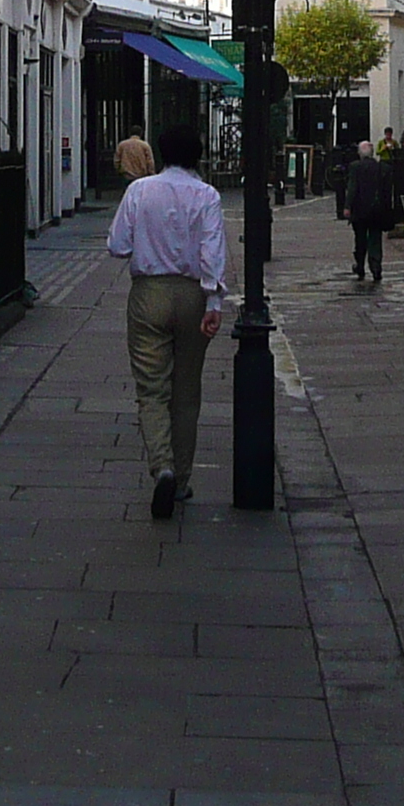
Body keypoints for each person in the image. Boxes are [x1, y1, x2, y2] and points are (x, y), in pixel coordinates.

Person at [105, 122, 225, 518]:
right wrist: (214, 302)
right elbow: (212, 251)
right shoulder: (207, 195)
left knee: (151, 390)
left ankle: (163, 468)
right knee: (187, 392)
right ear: (198, 153)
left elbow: (117, 245)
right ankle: (184, 481)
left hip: (149, 294)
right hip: (192, 295)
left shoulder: (139, 191)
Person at [342, 138, 394, 282]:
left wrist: (347, 206)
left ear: (360, 154)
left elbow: (352, 187)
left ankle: (360, 265)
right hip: (377, 210)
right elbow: (387, 192)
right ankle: (376, 267)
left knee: (360, 239)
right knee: (375, 239)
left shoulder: (355, 167)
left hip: (359, 210)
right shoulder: (383, 168)